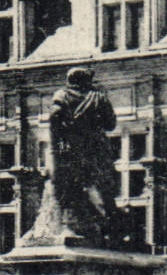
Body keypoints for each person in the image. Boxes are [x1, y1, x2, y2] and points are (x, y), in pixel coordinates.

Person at [47, 67, 121, 243]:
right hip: (96, 148)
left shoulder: (61, 95)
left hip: (73, 147)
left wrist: (58, 144)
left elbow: (54, 117)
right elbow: (111, 124)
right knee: (103, 186)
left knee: (71, 186)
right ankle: (110, 227)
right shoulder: (98, 97)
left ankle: (69, 224)